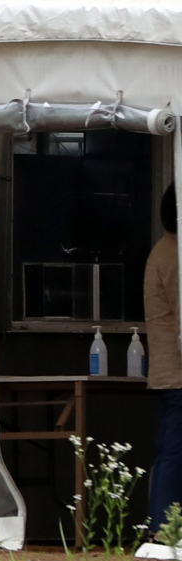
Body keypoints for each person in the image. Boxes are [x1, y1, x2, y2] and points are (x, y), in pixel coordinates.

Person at [146, 184, 182, 537]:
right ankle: (162, 527)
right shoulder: (174, 254)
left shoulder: (166, 249)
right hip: (177, 373)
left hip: (171, 373)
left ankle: (163, 526)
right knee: (174, 450)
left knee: (172, 448)